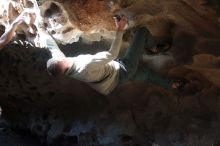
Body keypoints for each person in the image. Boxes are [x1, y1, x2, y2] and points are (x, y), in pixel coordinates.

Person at [43, 15, 181, 95]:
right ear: (61, 61)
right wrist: (119, 29)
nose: (59, 55)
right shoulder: (83, 66)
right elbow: (112, 54)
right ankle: (155, 47)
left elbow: (52, 48)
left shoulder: (64, 68)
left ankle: (172, 85)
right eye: (59, 57)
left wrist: (41, 30)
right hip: (122, 69)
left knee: (147, 75)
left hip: (115, 81)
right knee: (142, 32)